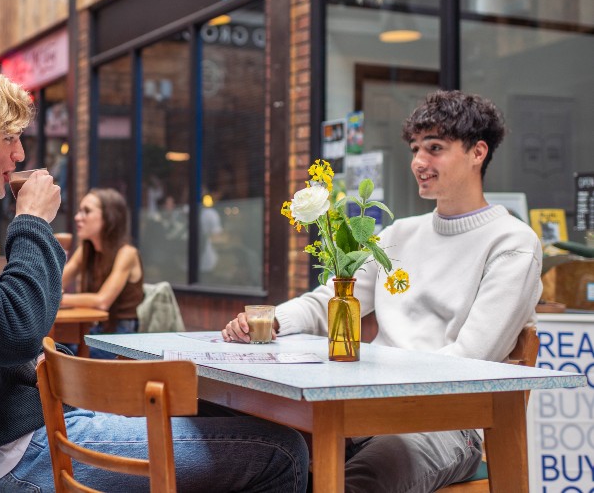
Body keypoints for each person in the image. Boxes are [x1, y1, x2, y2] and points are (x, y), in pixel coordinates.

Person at [0, 62, 308, 492]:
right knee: (283, 449)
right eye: (8, 138)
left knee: (224, 418)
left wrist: (24, 358)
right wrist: (32, 222)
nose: (19, 154)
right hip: (15, 455)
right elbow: (13, 330)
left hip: (7, 440)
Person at [224, 89, 543, 492]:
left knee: (363, 481)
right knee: (250, 448)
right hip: (367, 410)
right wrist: (267, 322)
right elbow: (330, 302)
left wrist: (371, 392)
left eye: (435, 148)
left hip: (444, 424)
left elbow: (469, 361)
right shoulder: (400, 233)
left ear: (477, 152)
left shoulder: (512, 242)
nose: (419, 162)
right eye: (415, 149)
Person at [61, 188, 143, 358]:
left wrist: (59, 298)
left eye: (87, 211)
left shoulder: (127, 253)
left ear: (109, 217)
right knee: (51, 346)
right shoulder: (86, 250)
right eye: (79, 211)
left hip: (122, 337)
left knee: (64, 355)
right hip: (95, 329)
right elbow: (56, 283)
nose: (78, 217)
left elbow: (102, 301)